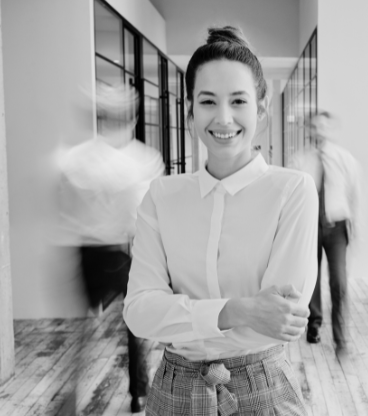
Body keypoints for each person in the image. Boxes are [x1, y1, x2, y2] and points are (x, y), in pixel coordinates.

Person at [123, 26, 318, 415]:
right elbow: (140, 312)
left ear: (261, 108)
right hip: (174, 392)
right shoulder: (161, 196)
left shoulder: (292, 190)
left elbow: (281, 318)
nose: (224, 117)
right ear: (191, 109)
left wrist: (182, 315)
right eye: (208, 101)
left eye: (239, 101)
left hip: (262, 387)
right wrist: (240, 310)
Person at [57, 83, 163, 414]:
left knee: (84, 331)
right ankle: (139, 394)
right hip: (123, 251)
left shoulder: (75, 159)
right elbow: (143, 214)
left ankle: (72, 394)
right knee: (135, 327)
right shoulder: (143, 160)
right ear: (129, 118)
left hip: (87, 252)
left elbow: (66, 209)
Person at [289, 111, 361, 358]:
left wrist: (357, 230)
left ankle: (342, 341)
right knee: (312, 279)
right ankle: (314, 324)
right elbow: (292, 198)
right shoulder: (299, 160)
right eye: (314, 126)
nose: (318, 130)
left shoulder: (344, 159)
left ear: (330, 129)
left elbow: (354, 196)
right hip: (309, 228)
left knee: (339, 283)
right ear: (308, 129)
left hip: (337, 227)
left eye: (323, 126)